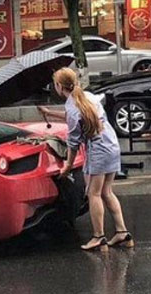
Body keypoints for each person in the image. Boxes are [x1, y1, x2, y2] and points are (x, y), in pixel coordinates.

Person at [38, 68, 133, 251]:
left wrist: (67, 166)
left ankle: (99, 236)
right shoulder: (87, 96)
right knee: (106, 191)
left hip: (98, 151)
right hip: (111, 145)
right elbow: (75, 116)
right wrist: (49, 112)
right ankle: (122, 232)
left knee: (94, 194)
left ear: (59, 86)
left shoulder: (73, 108)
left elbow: (73, 143)